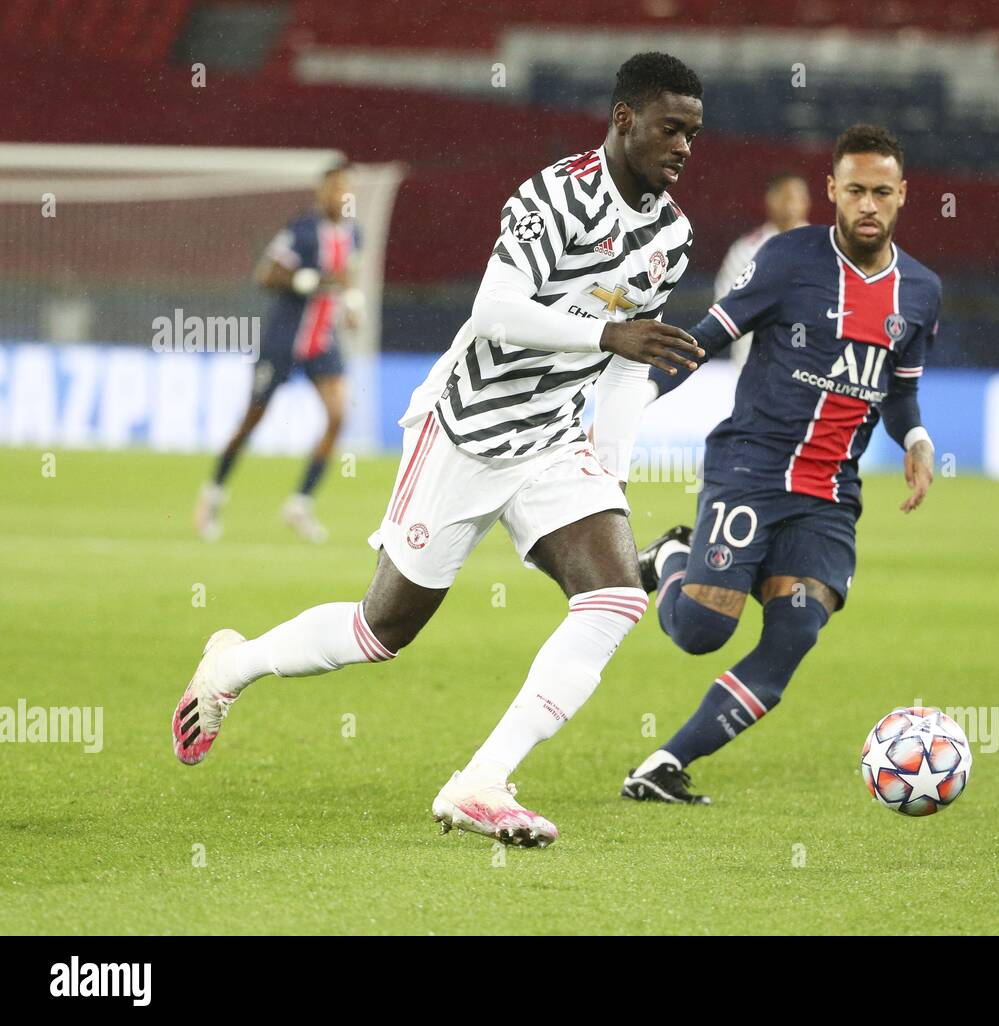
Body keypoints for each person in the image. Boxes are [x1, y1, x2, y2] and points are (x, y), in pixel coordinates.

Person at [172, 53, 707, 848]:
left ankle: (482, 782)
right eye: (671, 128)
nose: (684, 148)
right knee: (379, 631)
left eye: (694, 134)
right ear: (625, 118)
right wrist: (604, 331)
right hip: (464, 427)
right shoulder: (555, 197)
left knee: (614, 599)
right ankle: (232, 666)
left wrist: (610, 463)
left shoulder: (672, 236)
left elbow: (633, 362)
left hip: (551, 433)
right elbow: (495, 310)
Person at [622, 124, 942, 805]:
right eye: (854, 190)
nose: (867, 205)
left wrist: (915, 440)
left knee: (795, 628)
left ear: (903, 196)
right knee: (703, 630)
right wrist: (639, 397)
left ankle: (663, 764)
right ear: (831, 190)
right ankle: (671, 560)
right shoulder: (788, 260)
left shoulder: (920, 291)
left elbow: (901, 388)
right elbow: (707, 336)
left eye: (881, 192)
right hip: (752, 468)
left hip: (828, 494)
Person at [194, 163, 362, 543]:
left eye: (345, 190)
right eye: (334, 189)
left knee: (338, 416)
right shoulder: (302, 230)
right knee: (252, 420)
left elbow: (349, 276)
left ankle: (300, 504)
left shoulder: (356, 234)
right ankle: (213, 493)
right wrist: (309, 280)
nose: (340, 196)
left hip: (323, 341)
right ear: (322, 193)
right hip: (284, 340)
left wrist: (352, 304)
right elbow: (266, 274)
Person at [713, 172, 810, 365]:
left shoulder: (821, 247)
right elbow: (724, 302)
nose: (791, 204)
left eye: (798, 197)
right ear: (770, 200)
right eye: (785, 196)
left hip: (807, 358)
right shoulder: (746, 249)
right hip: (755, 356)